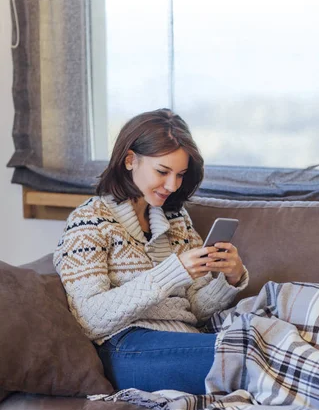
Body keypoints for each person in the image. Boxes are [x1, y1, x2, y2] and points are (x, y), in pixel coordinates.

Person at [54, 108, 249, 395]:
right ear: (130, 159)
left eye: (180, 175)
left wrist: (228, 279)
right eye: (163, 171)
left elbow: (194, 311)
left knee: (271, 342)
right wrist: (172, 272)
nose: (172, 185)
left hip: (180, 338)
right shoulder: (89, 221)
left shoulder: (176, 220)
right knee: (250, 353)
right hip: (126, 347)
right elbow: (89, 318)